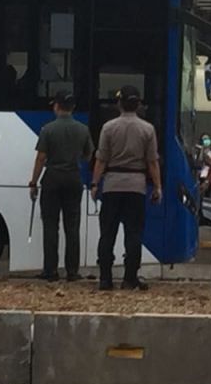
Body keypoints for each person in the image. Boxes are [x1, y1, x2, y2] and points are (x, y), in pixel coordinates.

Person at [91, 86, 162, 291]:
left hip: (112, 183)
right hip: (136, 185)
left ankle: (105, 278)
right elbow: (152, 162)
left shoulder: (108, 127)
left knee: (107, 233)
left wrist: (95, 183)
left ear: (119, 104)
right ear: (138, 105)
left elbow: (101, 159)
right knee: (134, 233)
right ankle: (130, 278)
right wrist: (157, 186)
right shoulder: (148, 129)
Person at [29, 90, 94, 282]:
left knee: (51, 226)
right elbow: (89, 154)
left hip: (52, 178)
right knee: (72, 226)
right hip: (73, 178)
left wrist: (33, 182)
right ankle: (72, 271)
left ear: (56, 106)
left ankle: (50, 271)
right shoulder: (83, 129)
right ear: (73, 107)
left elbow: (41, 158)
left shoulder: (48, 129)